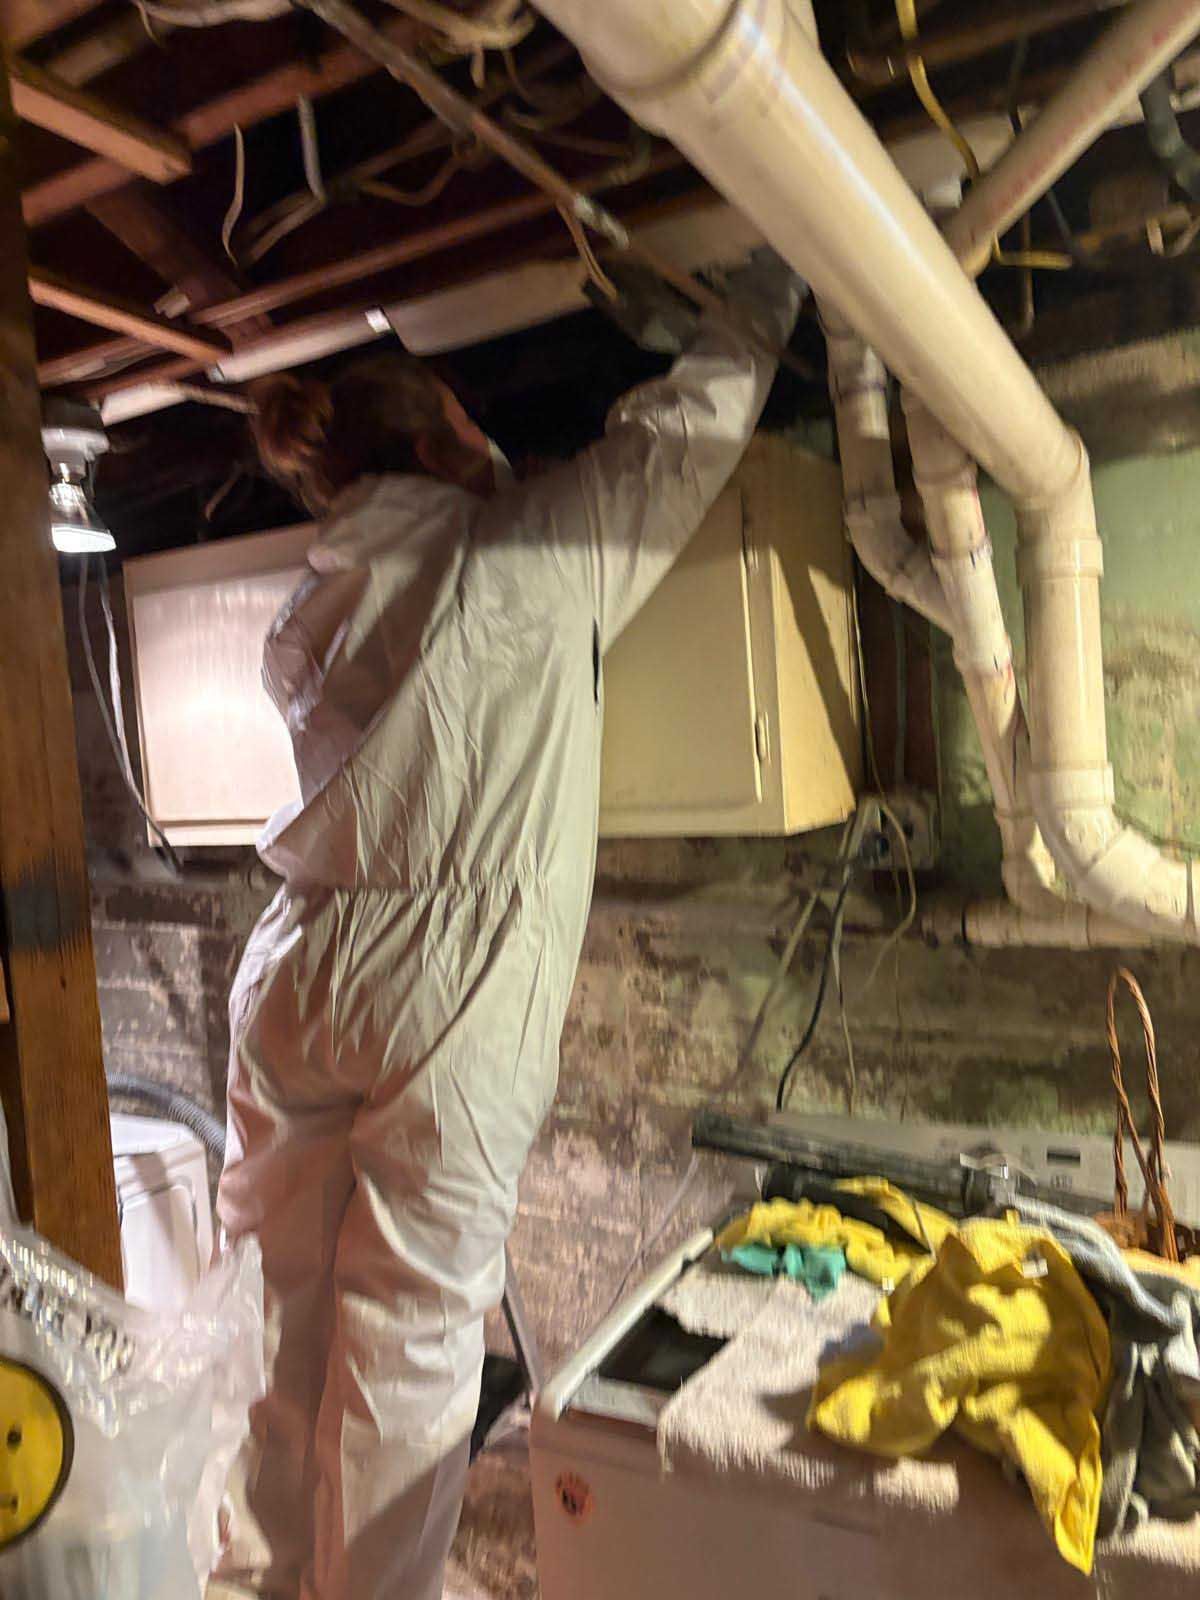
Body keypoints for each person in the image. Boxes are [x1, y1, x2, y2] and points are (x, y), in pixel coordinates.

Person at [209, 247, 804, 1600]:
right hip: (444, 983)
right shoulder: (529, 560)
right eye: (472, 424)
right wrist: (769, 282)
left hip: (298, 968)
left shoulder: (307, 611)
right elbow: (686, 435)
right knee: (407, 1347)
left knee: (283, 1330)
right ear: (445, 434)